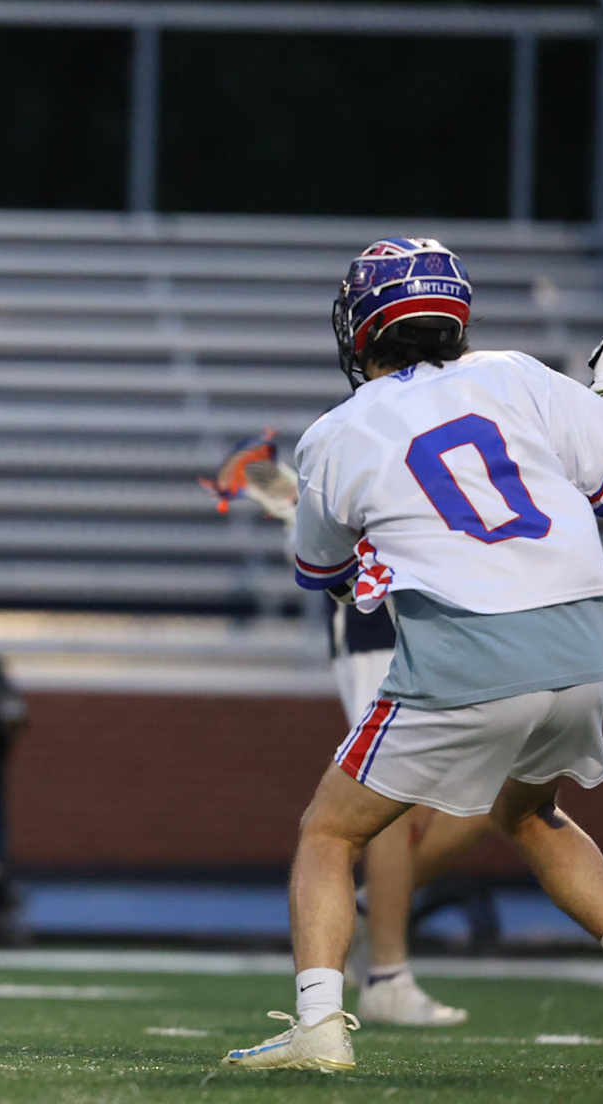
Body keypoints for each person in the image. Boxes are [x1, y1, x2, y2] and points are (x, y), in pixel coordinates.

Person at [223, 238, 603, 1071]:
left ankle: (319, 1025)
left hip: (470, 645)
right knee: (528, 812)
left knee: (329, 831)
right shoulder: (517, 374)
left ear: (361, 329)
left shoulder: (336, 432)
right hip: (583, 639)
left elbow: (326, 572)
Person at [210, 436, 491, 1025]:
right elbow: (330, 547)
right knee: (388, 794)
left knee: (496, 794)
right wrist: (299, 507)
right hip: (379, 627)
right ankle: (386, 972)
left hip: (447, 623)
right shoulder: (365, 432)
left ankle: (365, 909)